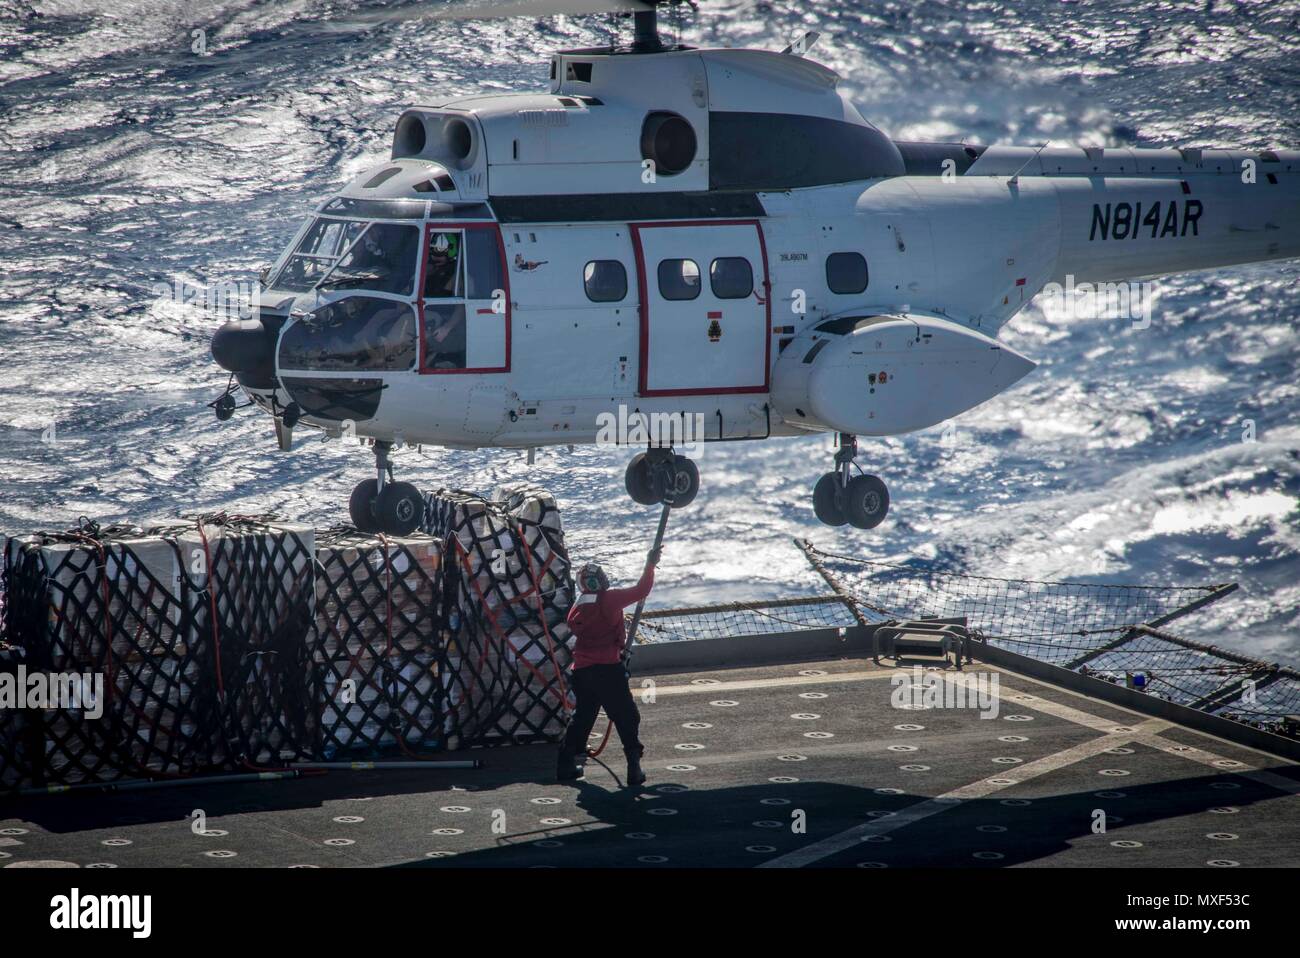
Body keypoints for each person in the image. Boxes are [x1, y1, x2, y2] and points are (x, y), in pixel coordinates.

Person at [558, 546, 661, 786]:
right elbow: (642, 590)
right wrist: (650, 565)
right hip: (608, 670)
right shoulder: (611, 599)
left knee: (583, 717)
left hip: (582, 672)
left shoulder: (578, 607)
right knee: (627, 717)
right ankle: (633, 767)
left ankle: (565, 764)